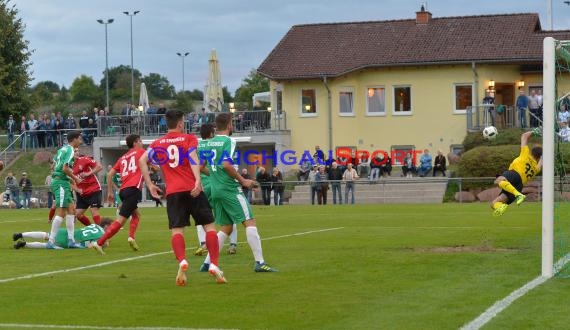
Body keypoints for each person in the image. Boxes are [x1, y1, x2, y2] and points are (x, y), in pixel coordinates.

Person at [140, 111, 226, 285]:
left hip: (173, 192)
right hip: (192, 189)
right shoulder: (189, 139)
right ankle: (214, 264)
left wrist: (149, 185)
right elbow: (193, 158)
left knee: (177, 231)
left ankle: (182, 261)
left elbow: (142, 161)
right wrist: (197, 180)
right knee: (209, 227)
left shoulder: (158, 143)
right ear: (180, 123)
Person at [199, 112, 277, 273]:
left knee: (226, 227)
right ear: (228, 125)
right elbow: (227, 165)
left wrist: (215, 176)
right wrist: (243, 181)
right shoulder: (229, 141)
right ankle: (260, 262)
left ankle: (207, 263)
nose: (232, 126)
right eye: (232, 123)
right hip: (229, 189)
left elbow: (200, 166)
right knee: (249, 221)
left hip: (215, 190)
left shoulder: (205, 144)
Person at [91, 134, 146, 254]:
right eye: (140, 141)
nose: (142, 143)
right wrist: (156, 167)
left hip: (123, 191)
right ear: (135, 143)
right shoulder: (140, 152)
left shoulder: (123, 158)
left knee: (136, 215)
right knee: (120, 221)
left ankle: (131, 237)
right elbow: (151, 164)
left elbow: (110, 174)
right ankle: (99, 243)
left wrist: (110, 192)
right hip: (133, 190)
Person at [491, 130, 542, 217]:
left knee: (498, 180)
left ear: (531, 152)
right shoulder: (536, 169)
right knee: (494, 203)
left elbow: (524, 136)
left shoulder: (525, 154)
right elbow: (541, 162)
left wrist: (536, 131)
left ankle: (518, 195)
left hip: (514, 175)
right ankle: (502, 206)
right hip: (519, 186)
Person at [48, 131, 84, 249]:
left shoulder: (62, 149)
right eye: (79, 138)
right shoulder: (70, 150)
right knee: (62, 211)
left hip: (61, 181)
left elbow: (53, 165)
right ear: (74, 139)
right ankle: (51, 242)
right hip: (61, 182)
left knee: (71, 210)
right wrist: (75, 178)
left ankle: (71, 240)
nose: (81, 140)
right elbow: (64, 168)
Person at [13, 218, 113, 249]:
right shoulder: (102, 233)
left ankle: (21, 235)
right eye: (111, 226)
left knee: (45, 235)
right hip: (74, 241)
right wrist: (106, 242)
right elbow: (97, 245)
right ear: (106, 226)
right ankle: (24, 244)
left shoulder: (94, 225)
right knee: (46, 245)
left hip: (67, 232)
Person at [73, 152, 103, 226]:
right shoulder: (67, 166)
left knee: (93, 210)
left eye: (77, 151)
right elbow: (68, 182)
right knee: (78, 214)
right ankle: (91, 228)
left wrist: (88, 173)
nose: (76, 153)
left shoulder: (84, 159)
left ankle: (100, 232)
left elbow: (99, 166)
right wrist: (77, 190)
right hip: (82, 192)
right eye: (74, 151)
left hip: (94, 189)